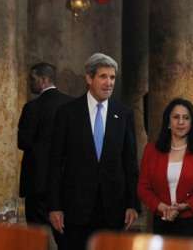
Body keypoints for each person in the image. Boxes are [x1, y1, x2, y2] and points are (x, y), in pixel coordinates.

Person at [48, 53, 139, 250]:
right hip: (75, 210)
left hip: (113, 211)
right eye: (103, 76)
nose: (109, 83)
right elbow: (54, 163)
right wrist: (54, 206)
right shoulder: (67, 113)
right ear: (89, 78)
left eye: (112, 77)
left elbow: (129, 162)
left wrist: (132, 204)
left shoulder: (123, 114)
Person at [138, 98, 193, 236]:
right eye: (176, 117)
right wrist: (161, 207)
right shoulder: (151, 150)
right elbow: (143, 188)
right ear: (168, 122)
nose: (181, 122)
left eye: (186, 118)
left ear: (192, 123)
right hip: (162, 221)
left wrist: (185, 206)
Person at [18, 63, 72, 238]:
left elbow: (23, 142)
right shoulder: (73, 105)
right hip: (66, 182)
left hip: (37, 183)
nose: (29, 83)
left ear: (43, 80)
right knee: (65, 235)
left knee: (36, 237)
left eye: (32, 79)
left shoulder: (32, 107)